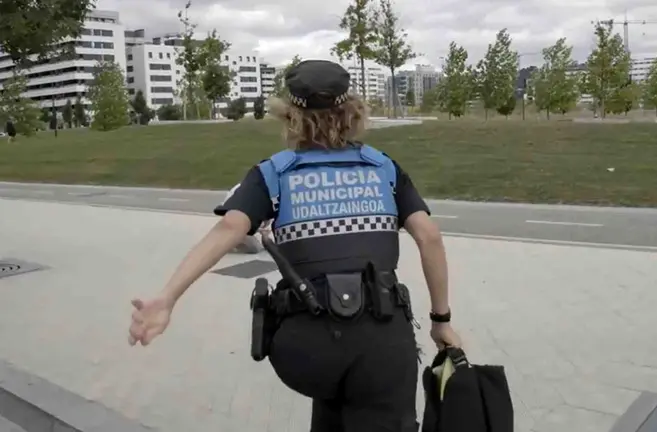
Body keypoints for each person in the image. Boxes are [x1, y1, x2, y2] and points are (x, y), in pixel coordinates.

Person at [127, 59, 461, 432]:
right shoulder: (383, 168)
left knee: (332, 403)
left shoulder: (274, 172)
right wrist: (440, 321)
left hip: (305, 348)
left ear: (289, 116)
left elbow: (229, 228)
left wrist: (168, 297)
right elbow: (429, 236)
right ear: (353, 113)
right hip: (380, 340)